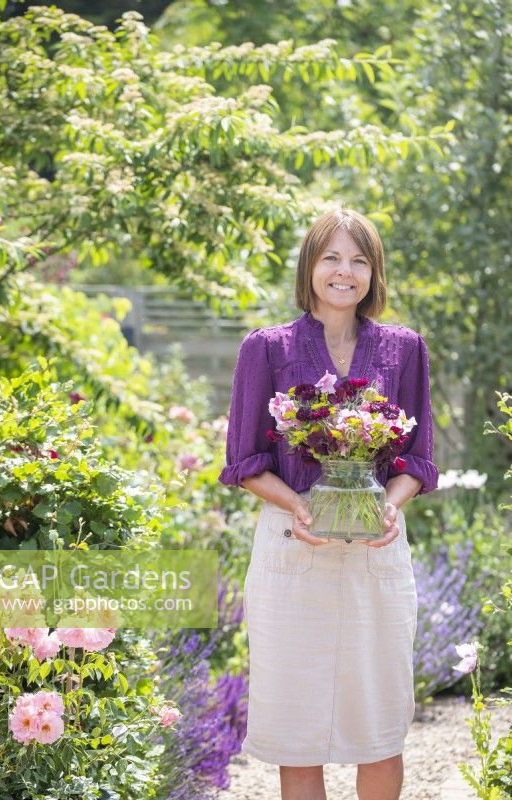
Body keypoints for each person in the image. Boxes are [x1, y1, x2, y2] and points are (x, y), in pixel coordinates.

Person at [218, 206, 439, 800]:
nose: (345, 272)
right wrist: (299, 507)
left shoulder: (405, 349)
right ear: (310, 266)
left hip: (377, 555)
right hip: (294, 551)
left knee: (380, 724)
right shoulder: (265, 349)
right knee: (298, 730)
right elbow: (243, 464)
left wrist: (390, 505)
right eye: (332, 258)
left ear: (375, 273)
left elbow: (417, 458)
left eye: (359, 261)